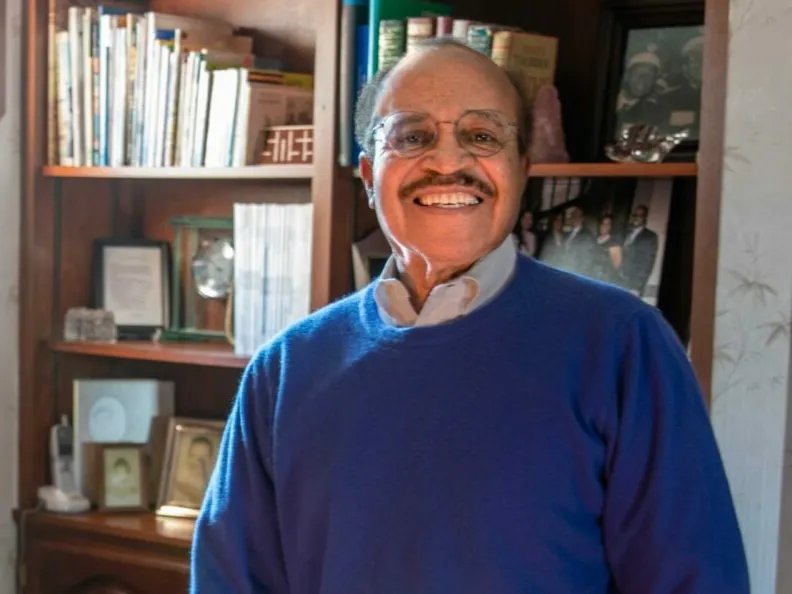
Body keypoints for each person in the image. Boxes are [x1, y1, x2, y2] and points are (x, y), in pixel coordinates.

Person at [190, 38, 749, 593]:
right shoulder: (285, 370)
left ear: (522, 170)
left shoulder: (623, 346)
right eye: (413, 136)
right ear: (366, 174)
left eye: (482, 136)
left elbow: (694, 582)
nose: (449, 162)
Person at [621, 204, 659, 296]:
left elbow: (647, 263)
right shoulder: (625, 232)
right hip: (619, 280)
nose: (636, 218)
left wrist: (637, 287)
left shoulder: (650, 237)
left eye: (640, 216)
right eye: (635, 215)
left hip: (633, 284)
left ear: (645, 218)